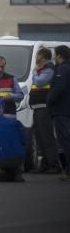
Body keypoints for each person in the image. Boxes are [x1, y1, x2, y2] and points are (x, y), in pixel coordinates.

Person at [29, 47, 61, 173]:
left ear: (42, 56)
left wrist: (34, 72)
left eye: (38, 55)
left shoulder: (48, 69)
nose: (36, 57)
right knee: (40, 137)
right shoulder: (42, 69)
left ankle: (54, 165)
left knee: (46, 137)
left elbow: (40, 81)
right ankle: (46, 164)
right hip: (38, 108)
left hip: (44, 108)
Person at [46, 44, 70, 180]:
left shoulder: (62, 68)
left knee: (65, 140)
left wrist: (49, 100)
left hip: (62, 110)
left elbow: (59, 89)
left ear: (59, 56)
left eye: (55, 55)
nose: (54, 57)